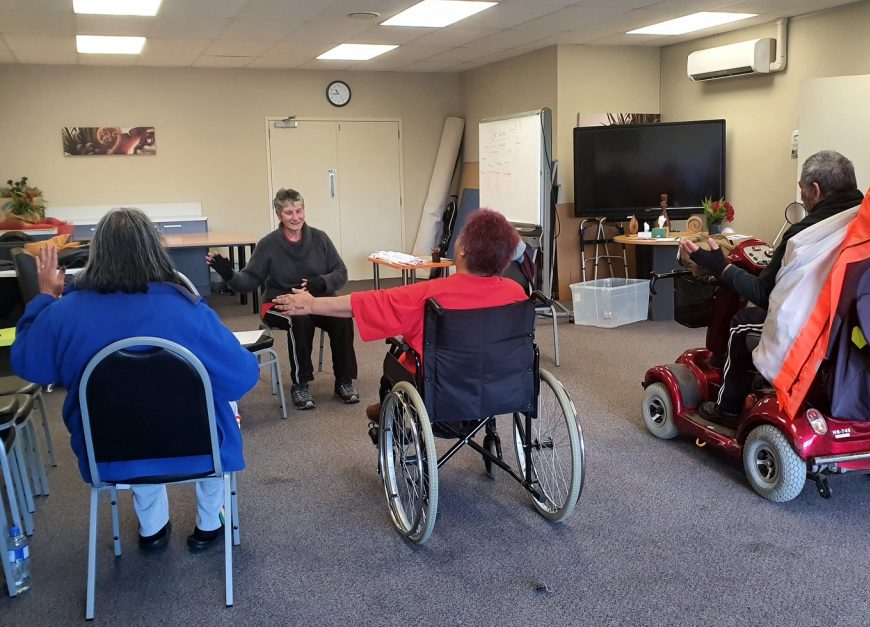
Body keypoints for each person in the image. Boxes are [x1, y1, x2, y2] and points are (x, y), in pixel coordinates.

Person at [11, 208, 259, 552]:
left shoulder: (64, 312)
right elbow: (243, 378)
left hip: (108, 454)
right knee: (216, 399)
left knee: (130, 407)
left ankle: (152, 529)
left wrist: (44, 300)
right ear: (155, 252)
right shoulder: (187, 309)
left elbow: (28, 365)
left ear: (96, 255)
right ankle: (208, 523)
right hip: (199, 452)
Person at [272, 209, 529, 423]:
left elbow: (361, 304)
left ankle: (390, 413)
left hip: (441, 387)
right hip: (500, 383)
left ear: (462, 251)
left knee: (397, 358)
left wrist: (311, 304)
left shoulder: (430, 293)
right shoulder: (517, 293)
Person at [680, 150, 863, 426]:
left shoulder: (804, 233)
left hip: (814, 327)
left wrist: (721, 266)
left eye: (802, 191)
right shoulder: (867, 220)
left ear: (815, 190)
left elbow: (763, 295)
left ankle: (727, 409)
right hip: (855, 324)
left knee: (742, 323)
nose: (802, 198)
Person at [207, 188, 358, 410]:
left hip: (317, 300)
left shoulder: (320, 238)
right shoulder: (269, 244)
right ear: (279, 215)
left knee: (342, 317)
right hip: (279, 303)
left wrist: (322, 282)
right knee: (299, 319)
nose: (295, 217)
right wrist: (229, 274)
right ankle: (300, 383)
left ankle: (344, 380)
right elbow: (249, 280)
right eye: (289, 212)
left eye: (299, 210)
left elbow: (341, 272)